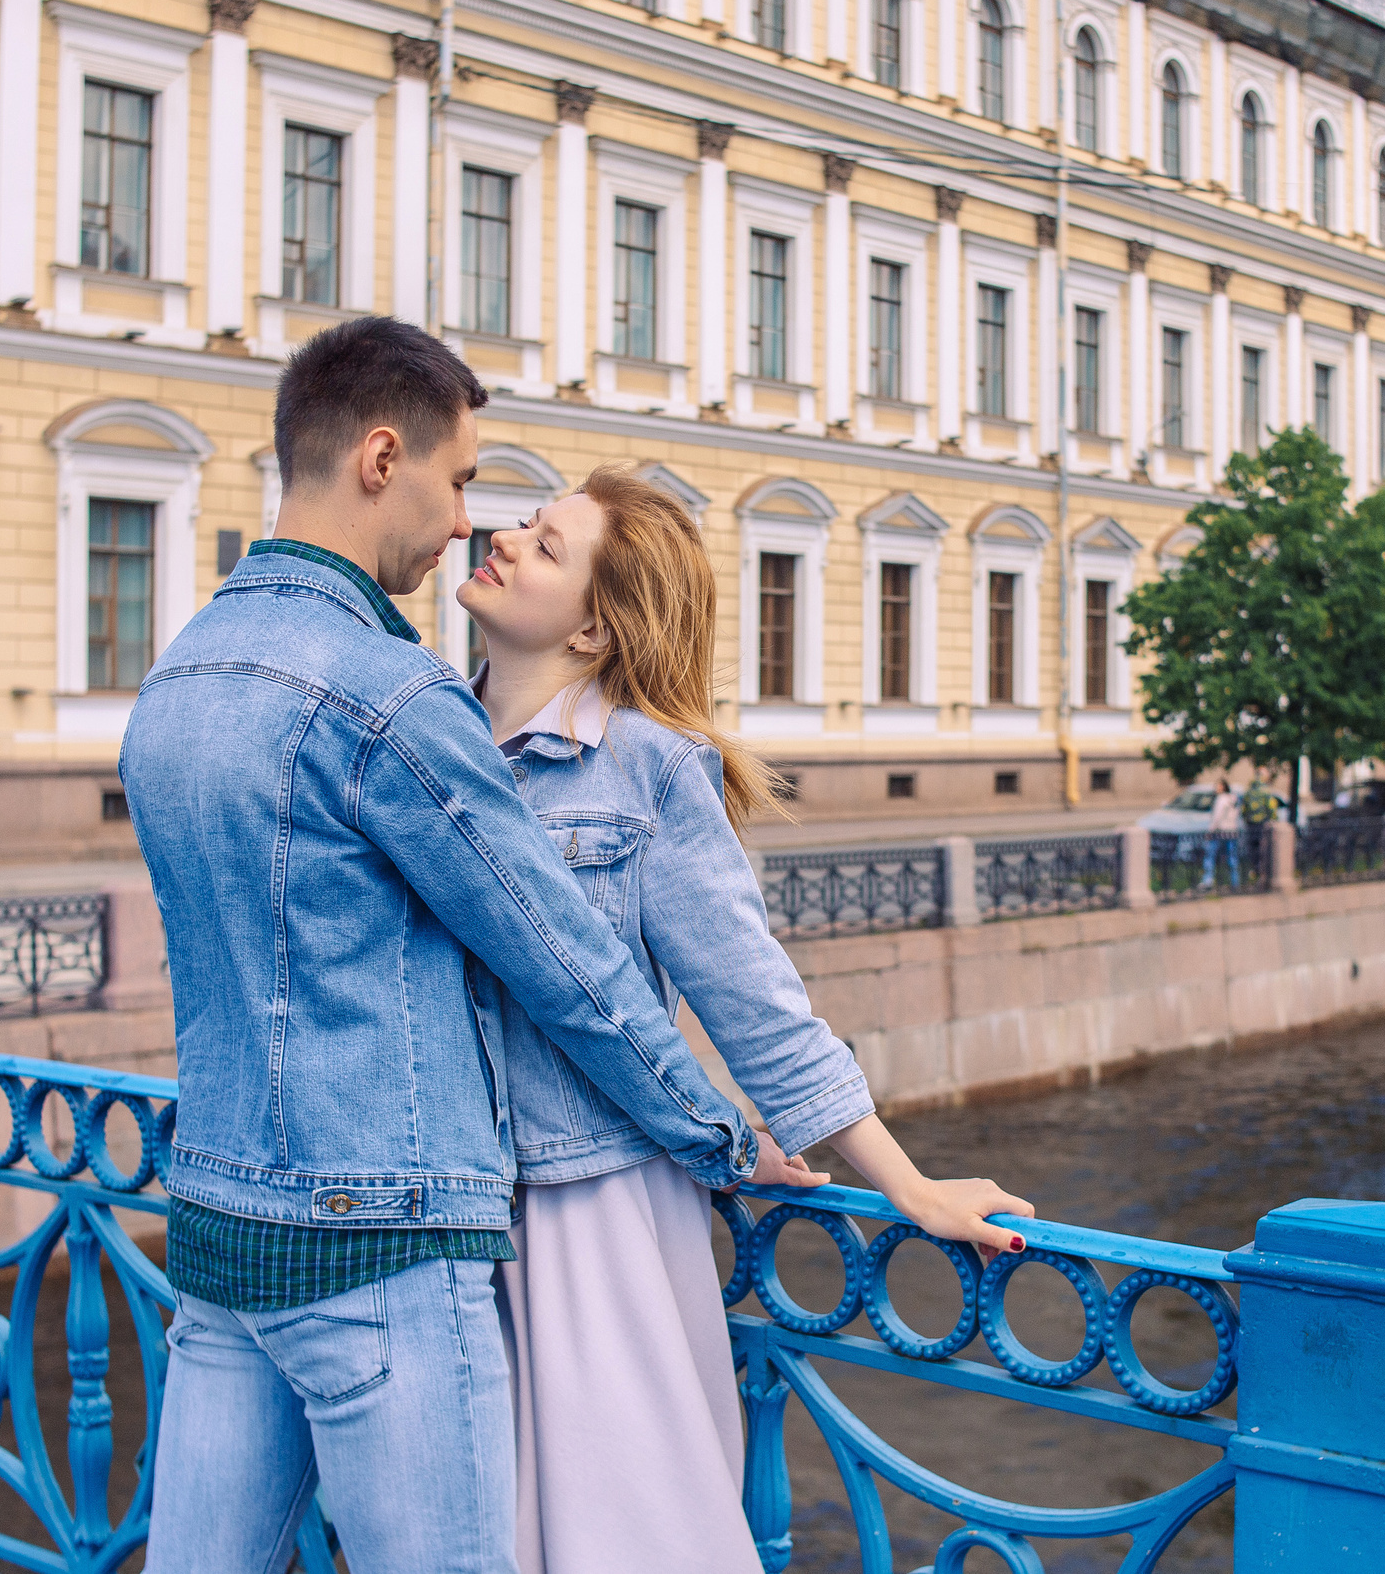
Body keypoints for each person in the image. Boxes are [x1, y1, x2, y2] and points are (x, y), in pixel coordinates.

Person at [123, 319, 802, 1573]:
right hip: (382, 1241)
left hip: (216, 1227)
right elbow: (568, 967)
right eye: (459, 480)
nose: (462, 523)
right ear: (383, 458)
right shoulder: (390, 693)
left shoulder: (181, 676)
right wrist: (715, 1136)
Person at [458, 465, 1033, 1573]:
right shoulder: (432, 737)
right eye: (525, 523)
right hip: (444, 1198)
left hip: (594, 1208)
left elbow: (756, 1006)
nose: (508, 538)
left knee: (619, 1531)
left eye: (547, 542)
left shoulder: (649, 769)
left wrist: (903, 1184)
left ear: (591, 630)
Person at [1202, 779, 1243, 889]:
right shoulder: (1234, 799)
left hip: (1220, 831)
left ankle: (1208, 881)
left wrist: (1210, 831)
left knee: (1210, 856)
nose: (1216, 788)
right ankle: (1235, 882)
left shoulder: (1221, 799)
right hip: (1232, 831)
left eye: (1218, 786)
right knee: (1232, 857)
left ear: (1223, 787)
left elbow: (1217, 817)